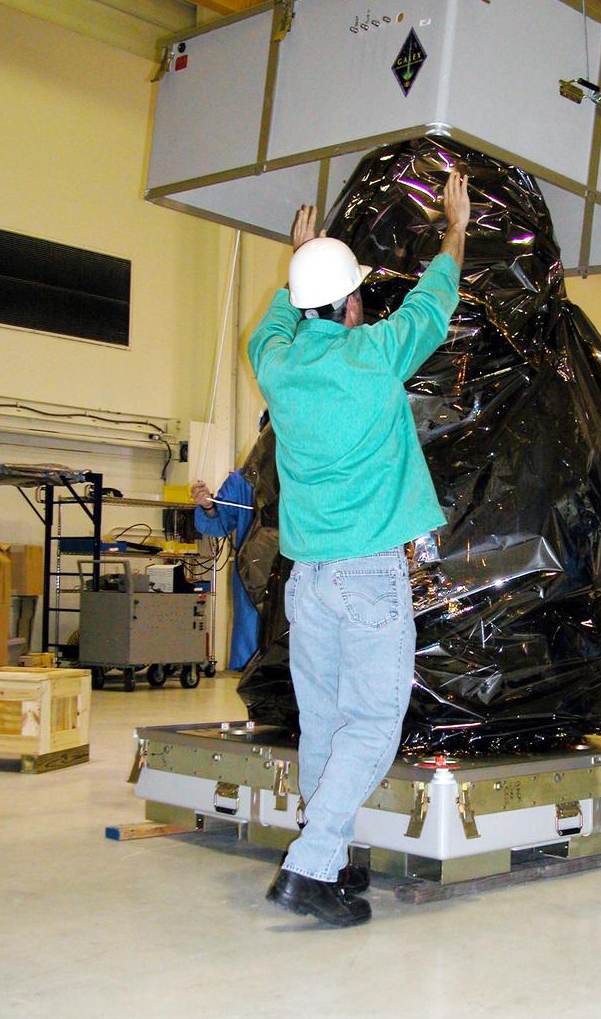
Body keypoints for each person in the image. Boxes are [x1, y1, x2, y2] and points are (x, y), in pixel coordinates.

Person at [247, 169, 470, 926]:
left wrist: (297, 263)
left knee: (326, 724)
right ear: (352, 303)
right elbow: (434, 305)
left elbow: (267, 332)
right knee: (372, 724)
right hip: (370, 577)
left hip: (307, 581)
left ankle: (329, 857)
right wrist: (456, 229)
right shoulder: (372, 357)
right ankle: (310, 867)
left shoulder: (279, 366)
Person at [190, 410, 269, 671]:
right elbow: (219, 521)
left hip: (299, 572)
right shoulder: (243, 481)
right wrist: (207, 505)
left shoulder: (308, 478)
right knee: (253, 646)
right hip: (253, 575)